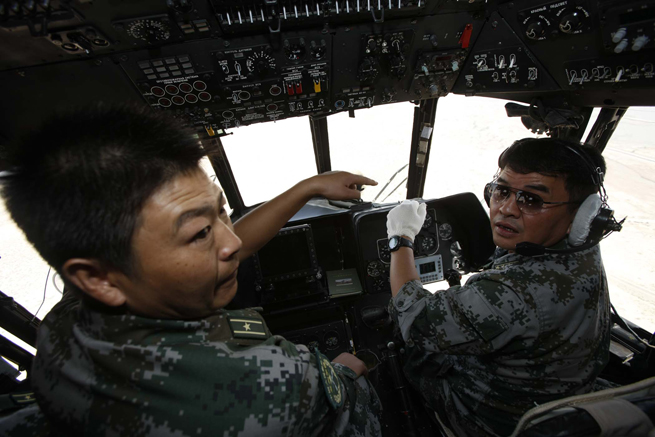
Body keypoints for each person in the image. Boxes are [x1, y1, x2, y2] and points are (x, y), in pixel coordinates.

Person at [0, 105, 382, 436]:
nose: (230, 241)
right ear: (98, 278)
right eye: (200, 232)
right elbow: (345, 406)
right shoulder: (262, 388)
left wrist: (308, 188)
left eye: (221, 211)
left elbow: (228, 243)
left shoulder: (63, 325)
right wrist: (344, 372)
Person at [385, 138, 611, 436]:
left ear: (581, 216)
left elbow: (415, 318)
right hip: (555, 400)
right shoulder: (581, 251)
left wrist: (400, 239)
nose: (506, 209)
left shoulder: (511, 292)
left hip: (493, 420)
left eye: (531, 200)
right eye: (501, 191)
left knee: (401, 348)